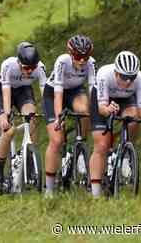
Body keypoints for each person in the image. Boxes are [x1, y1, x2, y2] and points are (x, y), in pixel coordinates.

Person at [89, 51, 141, 198]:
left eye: (131, 78)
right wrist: (108, 109)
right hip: (103, 101)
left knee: (132, 119)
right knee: (101, 145)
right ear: (116, 73)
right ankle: (95, 195)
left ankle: (126, 152)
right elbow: (102, 109)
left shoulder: (140, 78)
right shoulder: (104, 74)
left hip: (126, 100)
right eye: (124, 77)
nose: (128, 82)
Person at [43, 35, 96, 196]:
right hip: (53, 94)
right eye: (79, 57)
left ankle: (80, 143)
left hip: (75, 91)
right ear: (71, 54)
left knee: (85, 111)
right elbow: (58, 91)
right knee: (57, 140)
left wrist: (97, 112)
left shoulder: (91, 63)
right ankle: (49, 189)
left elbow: (94, 90)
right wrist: (59, 117)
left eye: (85, 57)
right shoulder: (62, 61)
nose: (82, 61)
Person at [0, 42, 47, 193]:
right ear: (18, 62)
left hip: (23, 91)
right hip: (3, 90)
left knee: (32, 117)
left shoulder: (40, 68)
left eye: (32, 68)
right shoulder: (9, 65)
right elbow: (6, 91)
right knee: (8, 130)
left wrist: (49, 110)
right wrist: (6, 114)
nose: (29, 71)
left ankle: (31, 159)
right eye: (26, 68)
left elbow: (44, 91)